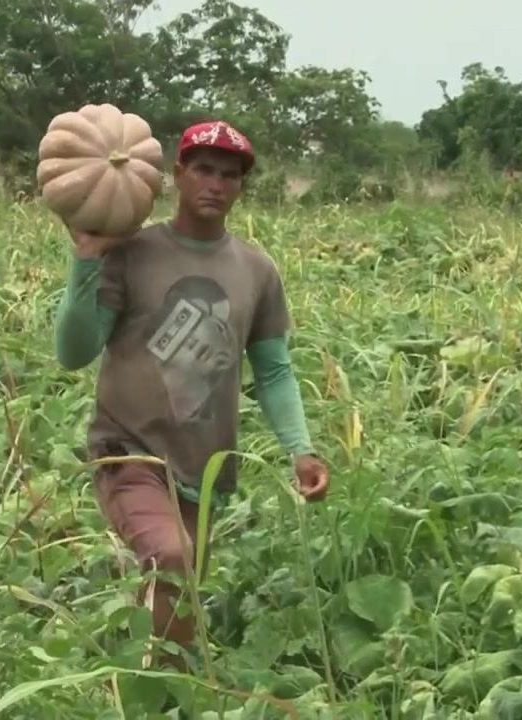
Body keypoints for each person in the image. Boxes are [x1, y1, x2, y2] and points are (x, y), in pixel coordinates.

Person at [52, 119, 328, 671]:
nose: (215, 183)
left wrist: (300, 448)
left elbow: (273, 372)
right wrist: (85, 258)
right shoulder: (132, 252)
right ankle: (169, 697)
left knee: (174, 598)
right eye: (203, 168)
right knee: (172, 558)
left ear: (242, 187)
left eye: (230, 174)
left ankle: (145, 682)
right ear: (177, 173)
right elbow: (74, 351)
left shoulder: (257, 271)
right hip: (127, 450)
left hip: (203, 467)